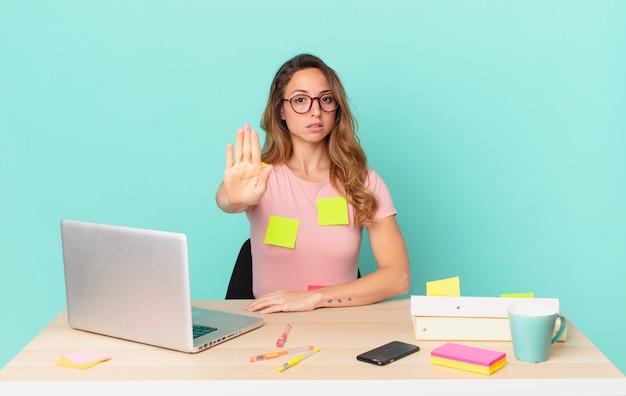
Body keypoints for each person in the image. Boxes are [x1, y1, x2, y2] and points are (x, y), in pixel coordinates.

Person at [216, 53, 410, 313]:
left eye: (326, 99)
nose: (315, 111)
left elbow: (398, 277)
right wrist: (234, 199)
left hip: (341, 326)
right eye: (300, 100)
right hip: (268, 326)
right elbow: (227, 200)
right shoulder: (258, 176)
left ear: (336, 108)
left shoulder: (363, 181)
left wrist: (315, 298)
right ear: (281, 110)